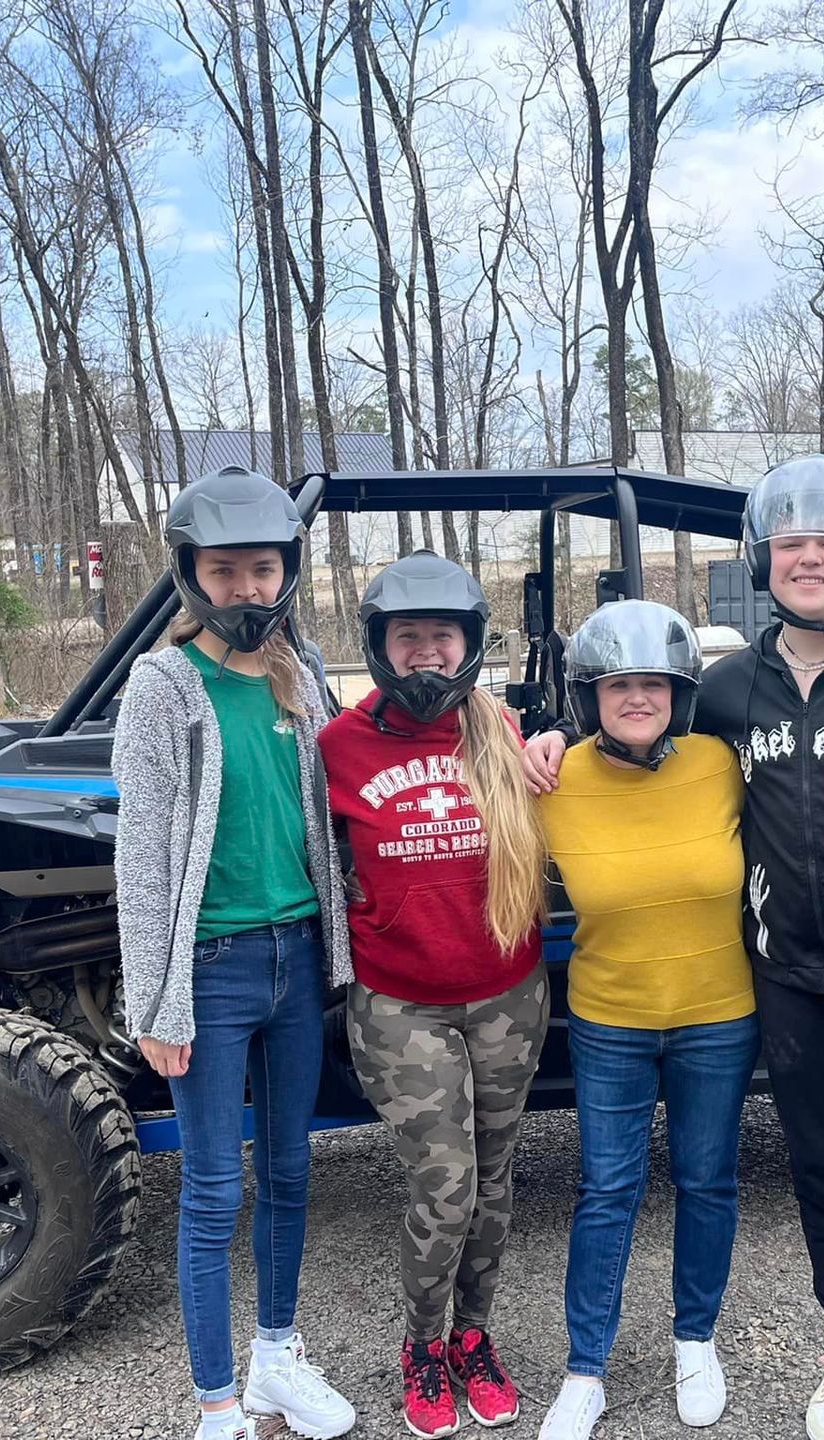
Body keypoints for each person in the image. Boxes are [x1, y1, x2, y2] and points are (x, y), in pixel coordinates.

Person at [523, 456, 824, 1440]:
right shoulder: (730, 690)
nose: (811, 561)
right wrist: (540, 735)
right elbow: (633, 729)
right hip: (788, 983)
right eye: (793, 546)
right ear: (763, 559)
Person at [114, 465, 358, 1440]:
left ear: (288, 573)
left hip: (297, 960)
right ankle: (216, 1402)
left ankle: (275, 1361)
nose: (247, 589)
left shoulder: (305, 679)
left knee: (291, 1171)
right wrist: (152, 1005)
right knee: (214, 1188)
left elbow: (357, 782)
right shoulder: (164, 688)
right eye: (226, 571)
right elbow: (140, 858)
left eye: (264, 570)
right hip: (208, 974)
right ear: (192, 576)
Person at [317, 551, 550, 1440]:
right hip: (401, 1005)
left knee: (493, 1185)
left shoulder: (503, 732)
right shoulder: (337, 748)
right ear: (379, 645)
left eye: (440, 638)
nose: (424, 654)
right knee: (446, 1186)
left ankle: (474, 1340)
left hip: (506, 997)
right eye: (406, 637)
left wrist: (558, 739)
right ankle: (423, 1345)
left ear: (469, 646)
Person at [532, 601, 756, 1440]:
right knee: (608, 1191)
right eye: (618, 685)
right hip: (611, 1020)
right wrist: (543, 738)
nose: (637, 698)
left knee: (708, 1182)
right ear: (588, 695)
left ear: (679, 692)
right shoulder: (552, 779)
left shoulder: (720, 764)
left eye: (653, 683)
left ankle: (695, 1340)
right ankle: (585, 1369)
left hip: (719, 1014)